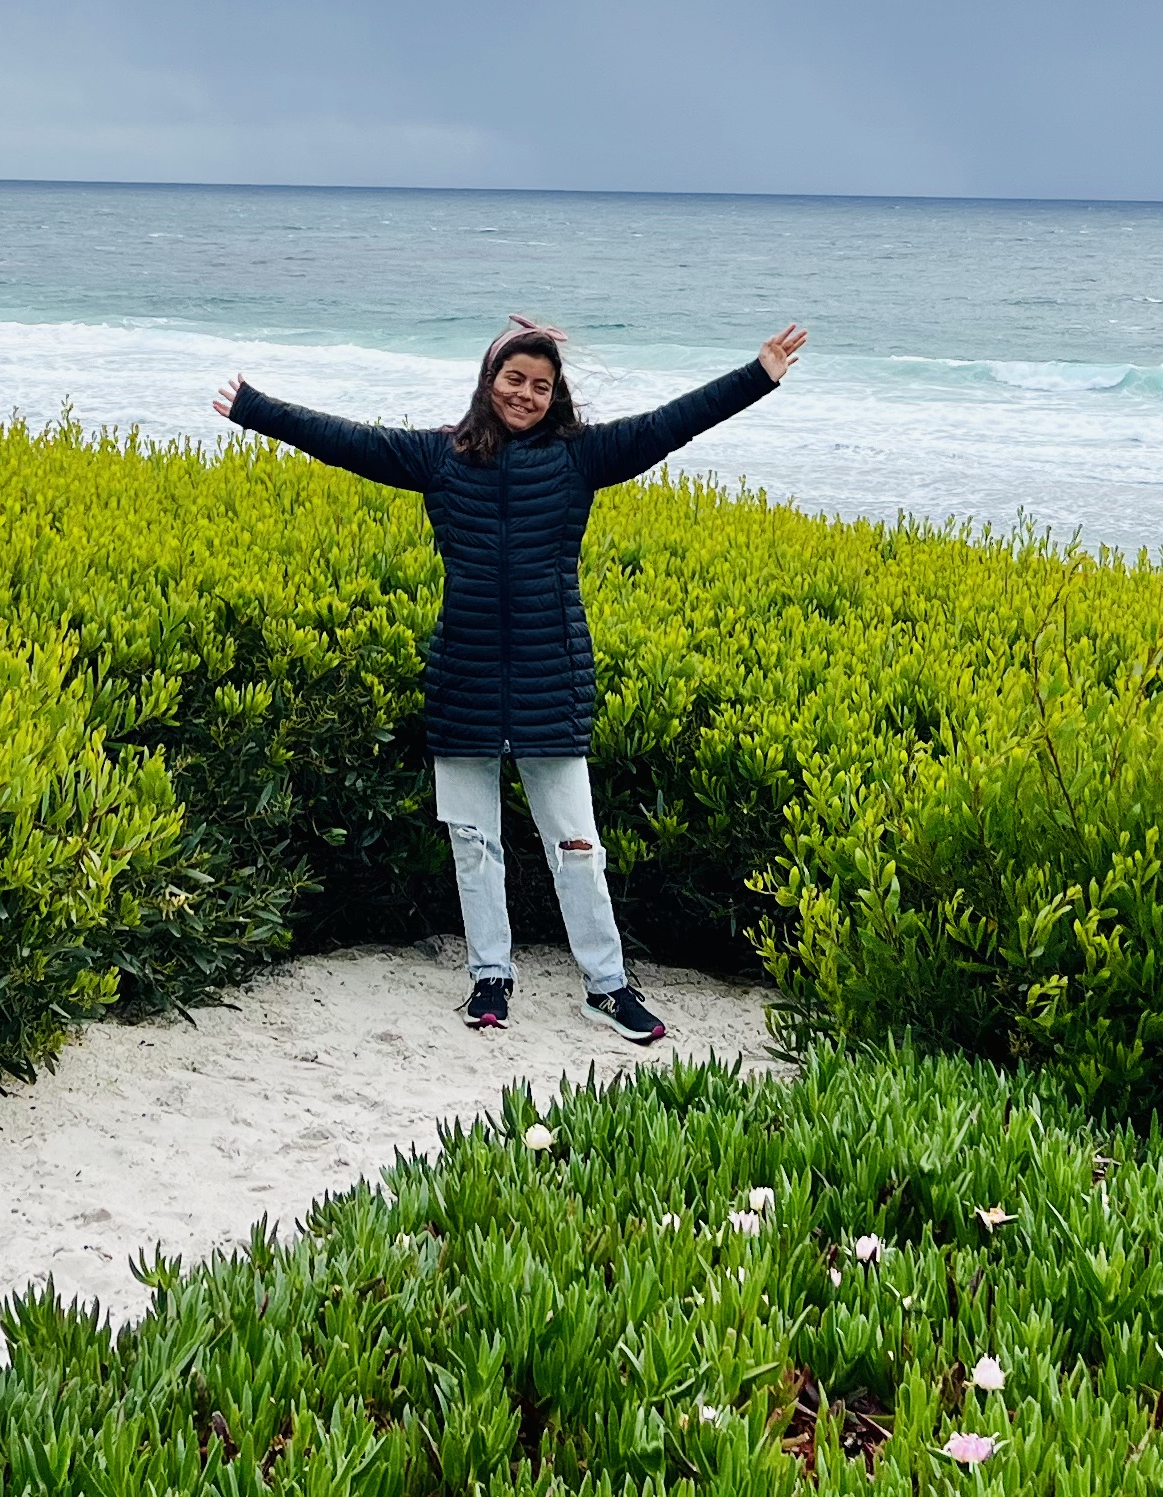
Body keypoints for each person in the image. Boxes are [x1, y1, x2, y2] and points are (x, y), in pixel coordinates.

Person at [214, 317, 808, 1040]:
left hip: (550, 677)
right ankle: (489, 978)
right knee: (474, 842)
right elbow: (348, 442)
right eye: (512, 379)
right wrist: (255, 409)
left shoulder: (581, 458)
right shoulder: (440, 458)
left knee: (578, 847)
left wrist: (756, 377)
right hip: (462, 677)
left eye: (540, 384)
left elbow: (670, 425)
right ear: (487, 383)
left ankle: (607, 985)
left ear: (555, 396)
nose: (525, 394)